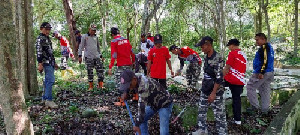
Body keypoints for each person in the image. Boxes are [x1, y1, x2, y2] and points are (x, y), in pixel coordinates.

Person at [119, 69, 173, 135]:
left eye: (129, 85)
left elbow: (142, 110)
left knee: (163, 132)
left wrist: (136, 125)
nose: (129, 87)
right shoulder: (136, 76)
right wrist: (126, 92)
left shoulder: (144, 87)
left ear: (134, 79)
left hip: (165, 103)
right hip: (153, 102)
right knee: (141, 121)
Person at [193, 36, 227, 135]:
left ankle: (222, 133)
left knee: (219, 115)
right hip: (205, 89)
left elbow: (219, 78)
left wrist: (213, 93)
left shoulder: (218, 58)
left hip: (216, 91)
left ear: (208, 45)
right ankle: (202, 130)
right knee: (201, 111)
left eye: (202, 46)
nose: (201, 49)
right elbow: (207, 73)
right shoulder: (206, 56)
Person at [247, 33, 274, 114]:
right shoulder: (269, 47)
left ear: (263, 39)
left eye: (257, 40)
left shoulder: (264, 47)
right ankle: (265, 110)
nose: (256, 42)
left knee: (250, 87)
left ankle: (255, 107)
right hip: (269, 71)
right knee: (264, 90)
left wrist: (261, 72)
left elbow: (265, 61)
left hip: (262, 72)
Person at [108, 27, 135, 106]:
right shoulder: (126, 40)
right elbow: (132, 51)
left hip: (121, 65)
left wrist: (110, 67)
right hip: (129, 64)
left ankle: (122, 101)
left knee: (120, 82)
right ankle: (132, 97)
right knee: (129, 81)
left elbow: (114, 55)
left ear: (112, 34)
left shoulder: (114, 41)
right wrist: (133, 61)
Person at [223, 39, 247, 125]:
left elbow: (227, 67)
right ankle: (238, 120)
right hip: (240, 81)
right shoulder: (243, 54)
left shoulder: (232, 53)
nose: (229, 48)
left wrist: (221, 76)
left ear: (232, 45)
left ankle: (221, 115)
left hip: (230, 79)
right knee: (237, 100)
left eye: (229, 46)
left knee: (216, 86)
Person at [35, 22, 59, 108]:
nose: (47, 31)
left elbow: (50, 52)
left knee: (47, 81)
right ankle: (49, 100)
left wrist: (54, 62)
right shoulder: (40, 38)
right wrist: (40, 64)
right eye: (46, 29)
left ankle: (44, 98)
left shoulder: (47, 38)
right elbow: (39, 52)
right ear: (41, 28)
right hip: (45, 62)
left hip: (50, 62)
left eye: (49, 29)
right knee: (50, 80)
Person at [78, 24, 104, 90]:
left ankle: (101, 85)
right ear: (89, 29)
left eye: (94, 31)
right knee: (90, 72)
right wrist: (80, 55)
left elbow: (98, 47)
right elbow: (81, 46)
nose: (93, 32)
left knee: (100, 71)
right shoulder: (84, 36)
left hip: (97, 56)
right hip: (89, 57)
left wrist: (101, 55)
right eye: (92, 30)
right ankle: (91, 86)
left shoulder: (96, 37)